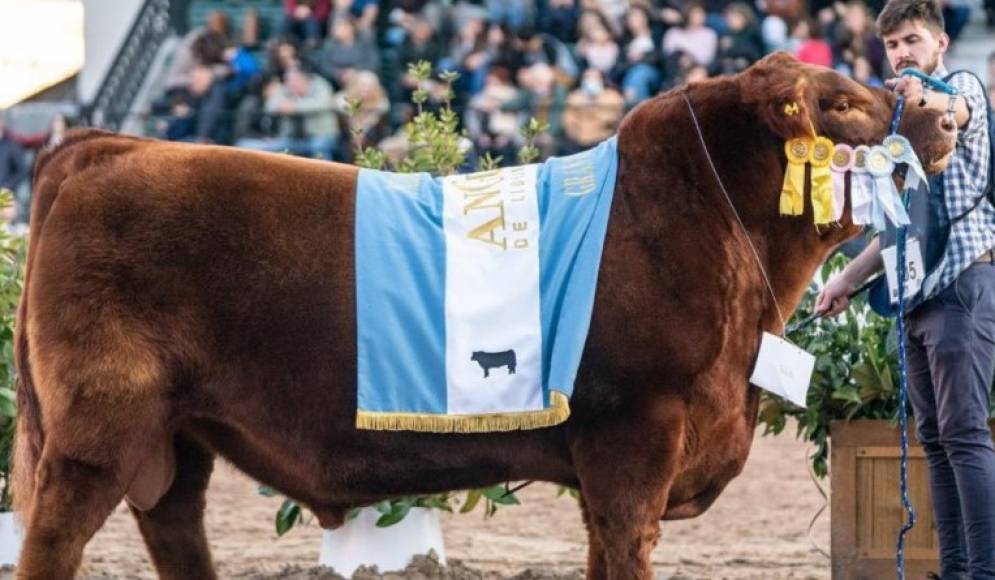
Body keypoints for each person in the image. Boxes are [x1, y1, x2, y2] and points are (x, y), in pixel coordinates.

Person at [817, 1, 994, 578]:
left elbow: (959, 108)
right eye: (893, 46)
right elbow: (896, 226)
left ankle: (983, 571)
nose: (903, 53)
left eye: (912, 40)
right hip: (920, 297)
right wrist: (844, 279)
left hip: (963, 285)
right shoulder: (899, 125)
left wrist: (921, 96)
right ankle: (957, 568)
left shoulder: (957, 86)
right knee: (938, 442)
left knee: (964, 437)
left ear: (940, 43)